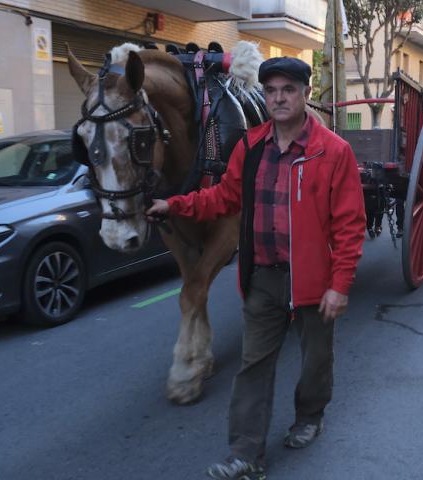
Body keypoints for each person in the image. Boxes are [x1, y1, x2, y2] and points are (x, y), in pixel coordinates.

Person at [145, 57, 366, 480]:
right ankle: (245, 454)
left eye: (289, 90)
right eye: (271, 91)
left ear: (305, 95)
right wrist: (174, 205)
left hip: (314, 280)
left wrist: (339, 285)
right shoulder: (250, 147)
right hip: (263, 277)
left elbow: (350, 225)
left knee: (315, 361)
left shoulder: (333, 151)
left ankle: (310, 416)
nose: (279, 98)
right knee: (253, 366)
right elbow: (222, 198)